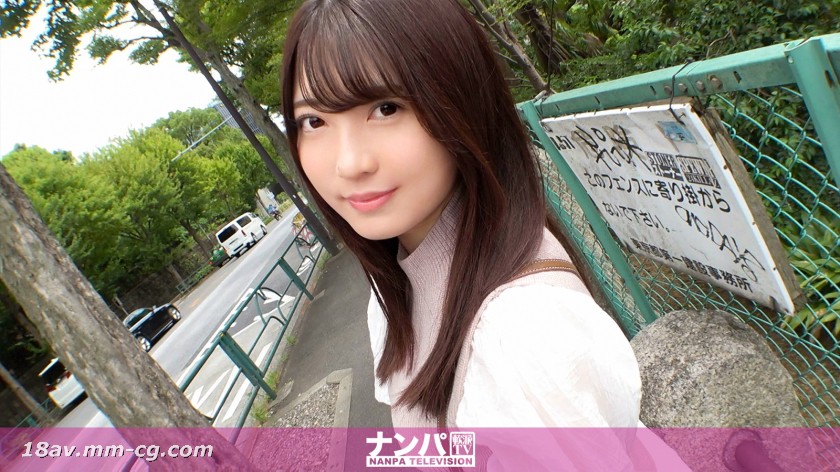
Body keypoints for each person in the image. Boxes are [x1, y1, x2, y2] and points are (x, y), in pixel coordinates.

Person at [280, 0, 641, 431]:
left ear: (463, 102)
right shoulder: (397, 287)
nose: (349, 163)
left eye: (386, 108)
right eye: (314, 122)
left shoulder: (523, 334)